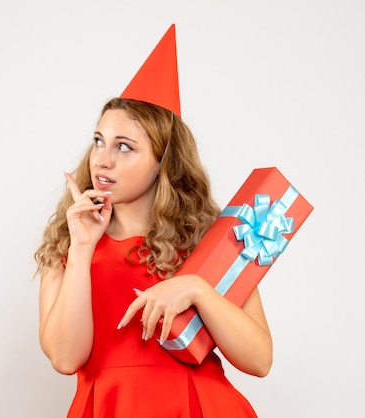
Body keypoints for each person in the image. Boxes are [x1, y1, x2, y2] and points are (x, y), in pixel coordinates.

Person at [34, 25, 272, 418]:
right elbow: (64, 358)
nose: (102, 160)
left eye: (124, 147)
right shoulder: (66, 246)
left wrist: (197, 288)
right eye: (99, 141)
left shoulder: (211, 242)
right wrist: (80, 249)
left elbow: (259, 360)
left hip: (202, 407)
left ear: (164, 162)